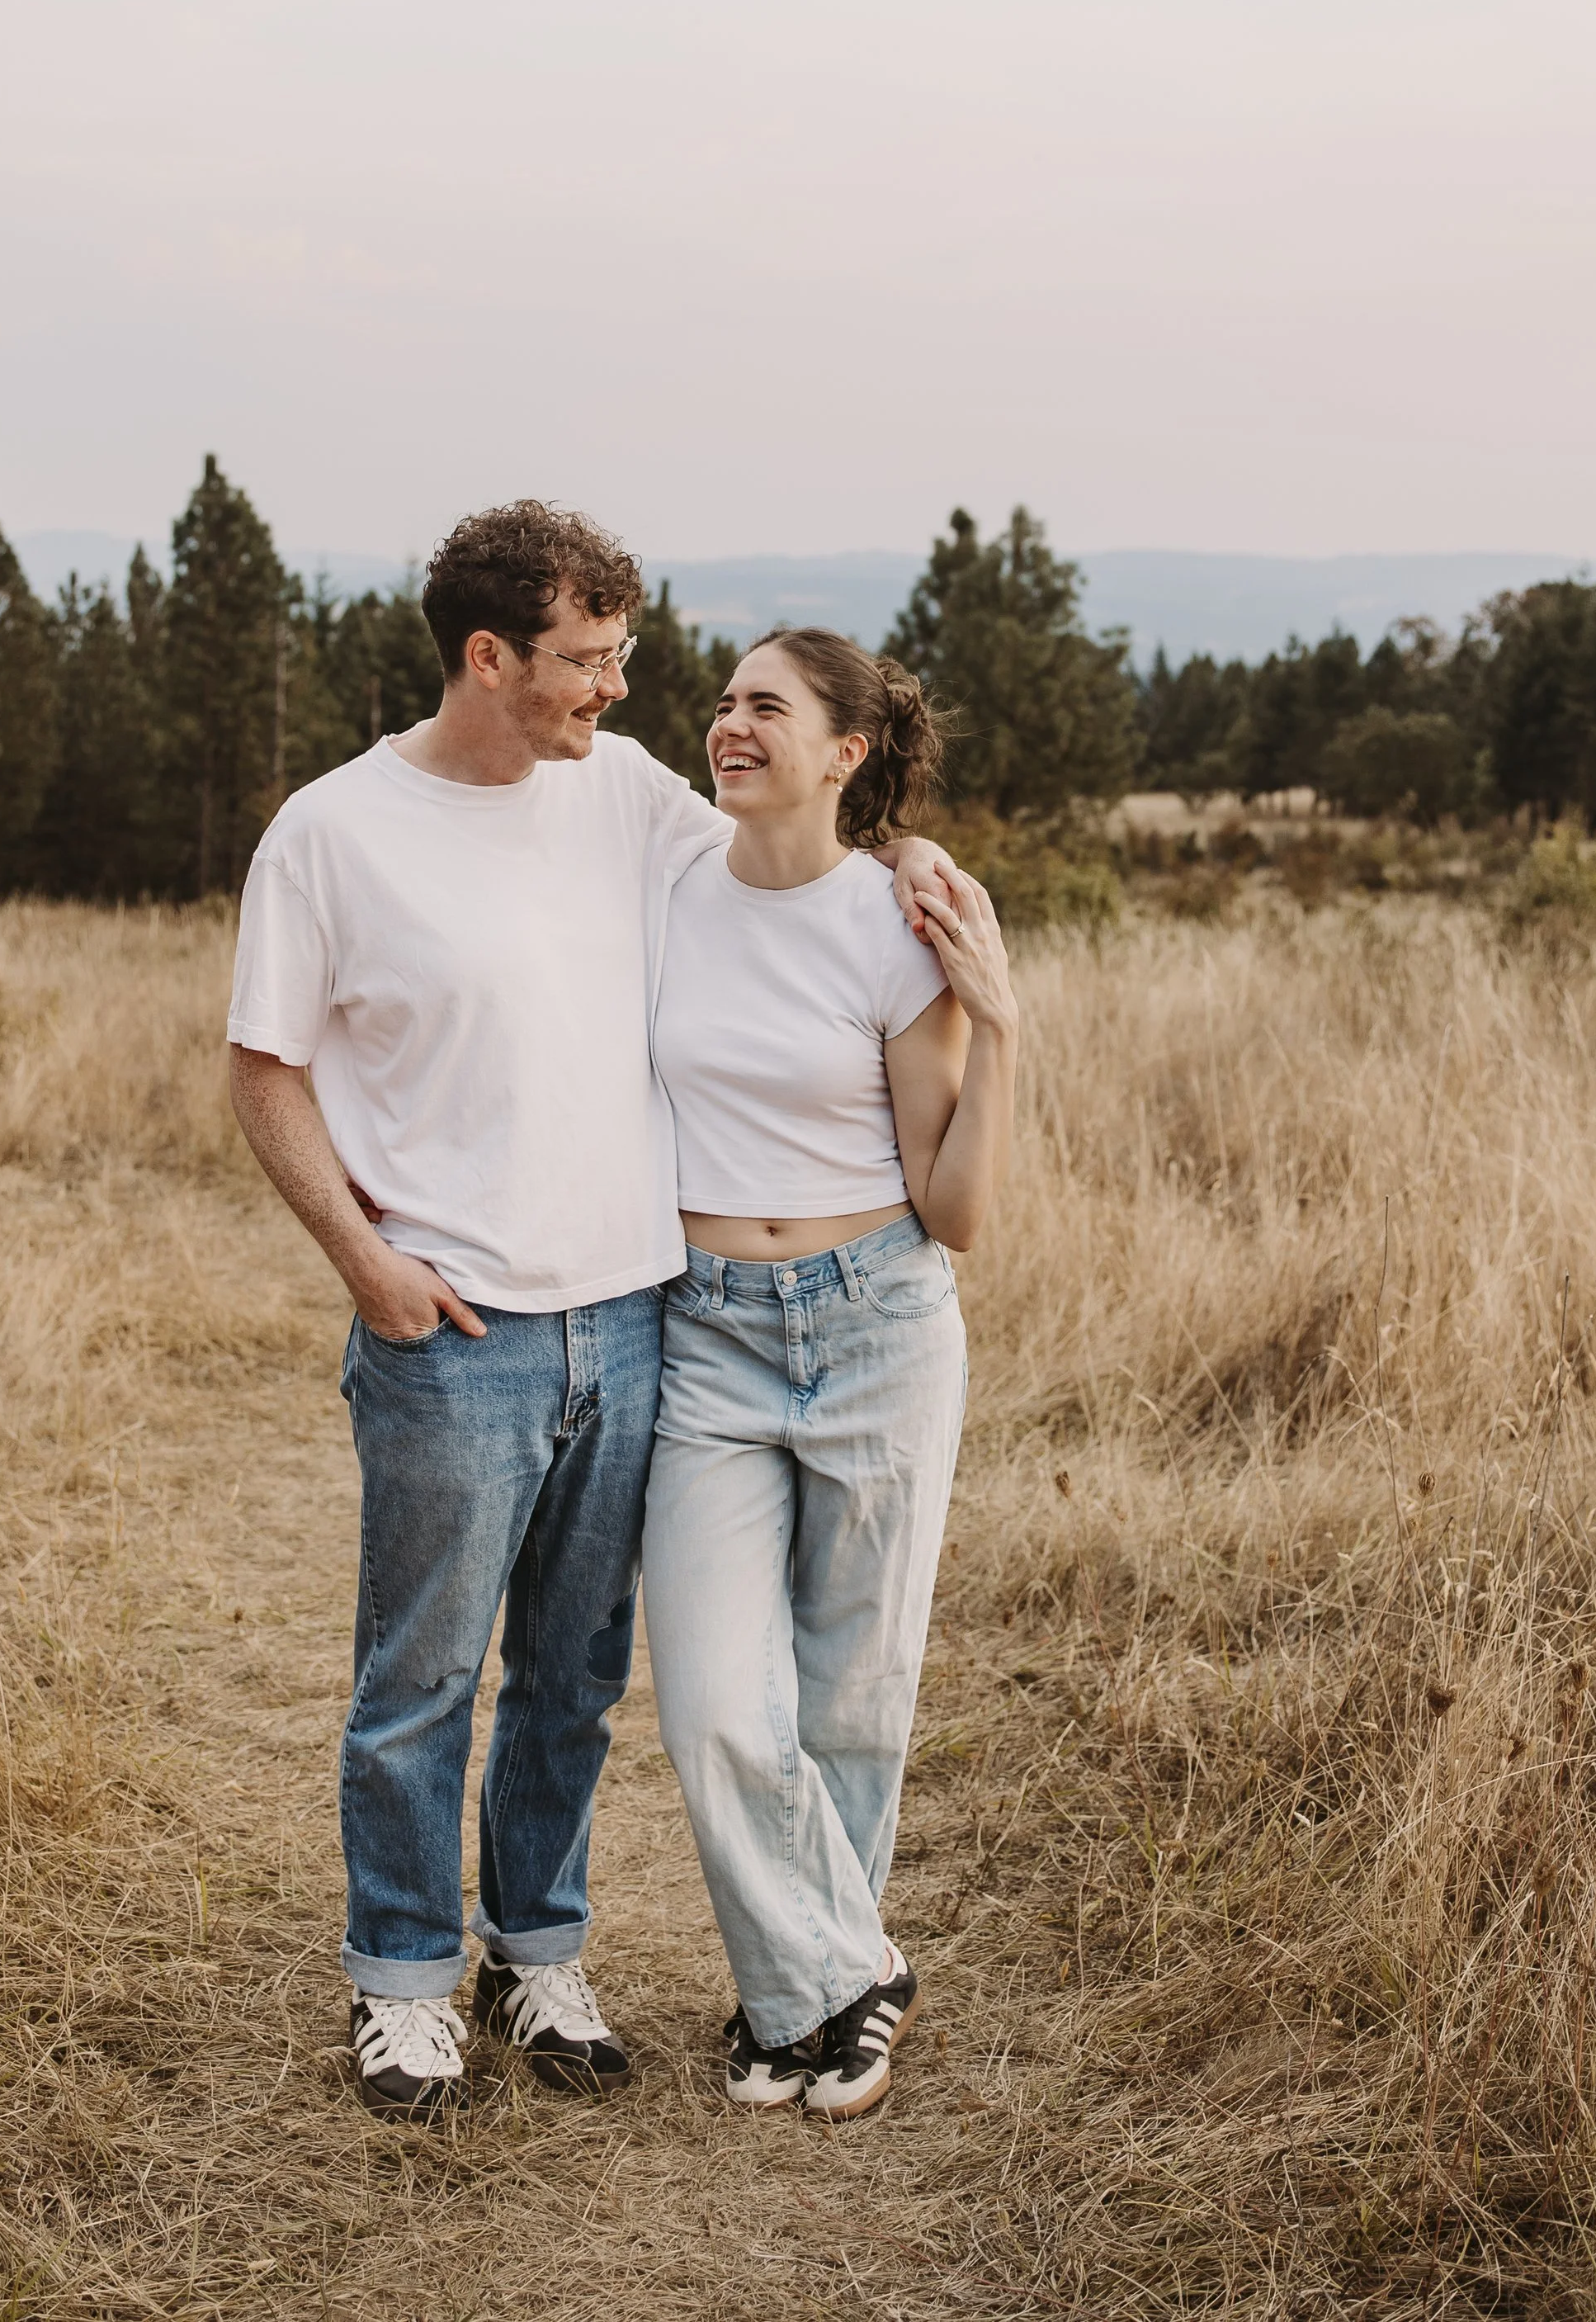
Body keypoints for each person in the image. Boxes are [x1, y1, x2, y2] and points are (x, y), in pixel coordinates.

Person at [225, 506, 944, 2121]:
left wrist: (903, 863)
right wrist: (364, 1263)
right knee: (418, 1681)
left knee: (569, 1677)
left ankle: (535, 1952)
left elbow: (783, 866)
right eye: (586, 662)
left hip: (636, 1326)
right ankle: (401, 1982)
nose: (618, 692)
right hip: (451, 1337)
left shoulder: (620, 798)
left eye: (624, 657)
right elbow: (262, 1072)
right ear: (489, 659)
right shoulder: (331, 835)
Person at [641, 627, 1017, 2121]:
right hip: (710, 1335)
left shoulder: (897, 923)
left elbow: (959, 1212)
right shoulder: (670, 885)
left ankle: (794, 2000)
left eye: (767, 707)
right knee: (719, 1700)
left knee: (854, 1694)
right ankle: (848, 1978)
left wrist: (1004, 1026)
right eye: (726, 701)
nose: (731, 724)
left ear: (846, 750)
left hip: (875, 1320)